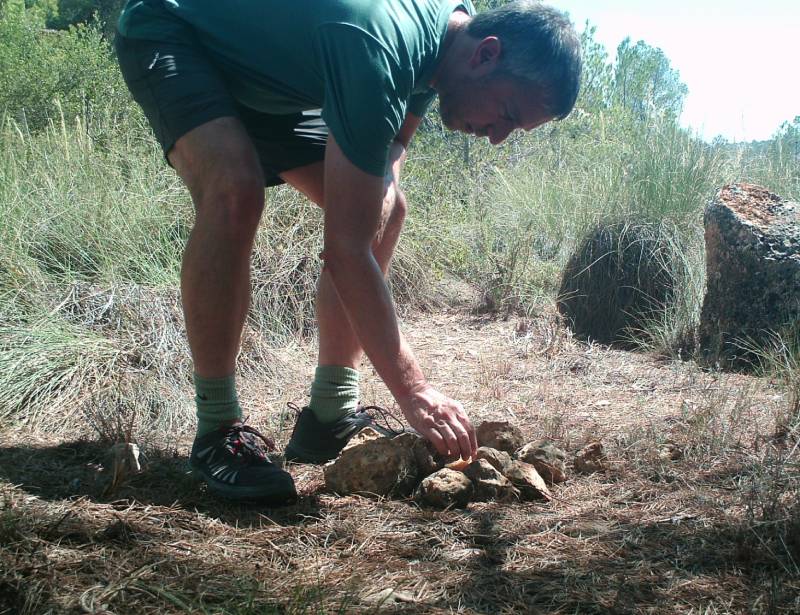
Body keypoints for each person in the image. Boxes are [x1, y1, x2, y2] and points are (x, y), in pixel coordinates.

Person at [114, 0, 582, 504]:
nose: (497, 138)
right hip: (176, 32)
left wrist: (381, 200)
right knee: (235, 189)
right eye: (507, 115)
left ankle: (329, 414)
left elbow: (395, 142)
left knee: (387, 210)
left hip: (266, 84)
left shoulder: (448, 42)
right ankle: (217, 429)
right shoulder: (380, 46)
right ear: (486, 55)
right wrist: (415, 390)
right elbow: (345, 252)